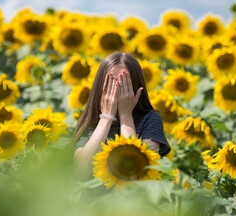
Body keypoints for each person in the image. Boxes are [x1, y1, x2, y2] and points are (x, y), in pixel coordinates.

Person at [72, 52, 171, 180]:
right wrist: (106, 118)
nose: (117, 90)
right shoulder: (90, 121)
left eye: (124, 84)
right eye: (111, 83)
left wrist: (126, 116)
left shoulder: (150, 120)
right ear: (100, 87)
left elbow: (138, 174)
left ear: (136, 87)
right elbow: (80, 171)